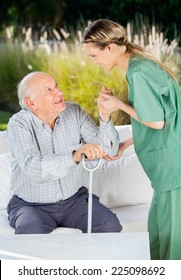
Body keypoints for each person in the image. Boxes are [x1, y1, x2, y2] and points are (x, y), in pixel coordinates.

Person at [83, 18, 181, 260]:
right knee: (159, 235)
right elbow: (161, 118)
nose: (94, 62)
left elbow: (156, 121)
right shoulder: (140, 65)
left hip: (172, 167)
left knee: (171, 241)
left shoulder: (138, 71)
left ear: (110, 48)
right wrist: (126, 144)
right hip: (167, 167)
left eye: (94, 55)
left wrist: (118, 105)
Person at [7, 71, 122, 234]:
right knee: (30, 234)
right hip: (31, 205)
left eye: (56, 86)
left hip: (74, 201)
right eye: (49, 90)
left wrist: (104, 115)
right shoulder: (18, 124)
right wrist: (74, 156)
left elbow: (109, 149)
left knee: (110, 226)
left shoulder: (74, 112)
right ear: (31, 103)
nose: (59, 92)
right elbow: (32, 167)